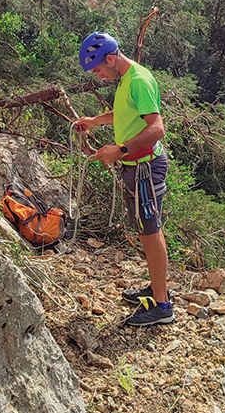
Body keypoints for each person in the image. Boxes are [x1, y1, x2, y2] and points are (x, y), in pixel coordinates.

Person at [73, 31, 174, 327]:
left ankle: (162, 307)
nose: (100, 77)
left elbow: (157, 128)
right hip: (139, 166)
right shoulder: (127, 79)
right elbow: (125, 113)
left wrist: (119, 150)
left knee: (149, 232)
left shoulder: (138, 80)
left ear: (110, 58)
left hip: (145, 167)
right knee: (149, 229)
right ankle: (157, 289)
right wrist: (95, 121)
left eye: (99, 70)